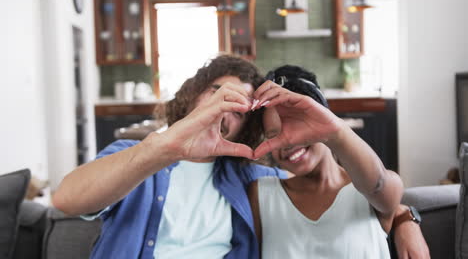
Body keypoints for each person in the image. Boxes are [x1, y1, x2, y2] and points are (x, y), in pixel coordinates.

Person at [53, 55, 427, 259]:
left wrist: (404, 216)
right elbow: (67, 198)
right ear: (193, 95)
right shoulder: (135, 158)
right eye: (217, 93)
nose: (222, 107)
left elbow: (339, 189)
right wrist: (166, 145)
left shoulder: (250, 180)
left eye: (238, 106)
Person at [247, 65, 430, 258]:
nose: (288, 142)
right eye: (273, 135)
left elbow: (380, 184)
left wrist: (337, 133)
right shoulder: (261, 194)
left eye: (296, 126)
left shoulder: (370, 191)